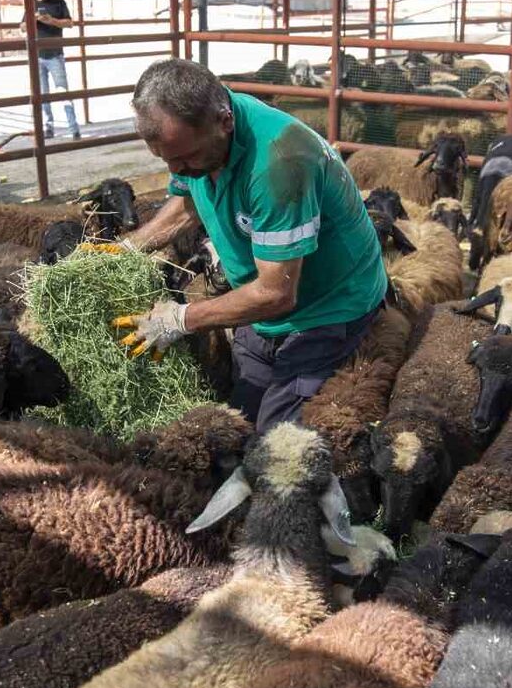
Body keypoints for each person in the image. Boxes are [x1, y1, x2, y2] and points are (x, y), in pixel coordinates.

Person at [108, 58, 387, 433]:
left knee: (275, 442)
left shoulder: (278, 162)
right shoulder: (202, 145)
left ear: (224, 121)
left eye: (186, 157)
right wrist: (131, 246)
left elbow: (277, 294)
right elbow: (189, 198)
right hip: (257, 309)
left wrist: (180, 319)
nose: (176, 172)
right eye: (166, 159)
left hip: (324, 310)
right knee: (236, 424)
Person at [23, 0, 79, 139]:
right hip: (37, 56)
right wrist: (33, 19)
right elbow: (22, 27)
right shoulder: (30, 3)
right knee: (42, 94)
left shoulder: (58, 1)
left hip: (55, 55)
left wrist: (52, 21)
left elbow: (70, 23)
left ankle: (73, 127)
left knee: (63, 91)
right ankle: (48, 127)